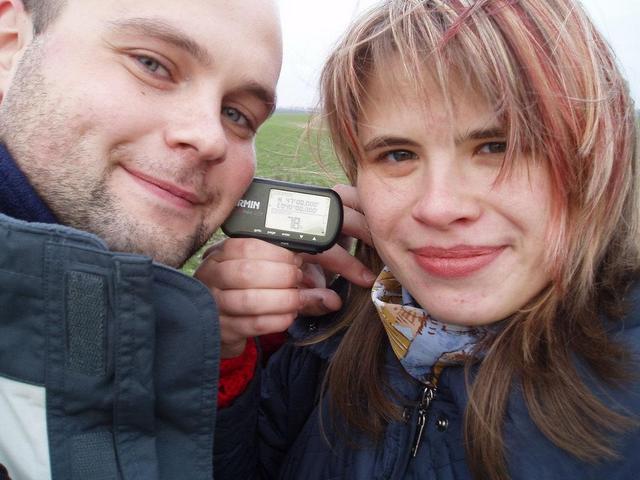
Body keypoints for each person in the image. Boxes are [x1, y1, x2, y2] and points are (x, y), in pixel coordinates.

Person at [210, 0, 640, 478]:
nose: (438, 206)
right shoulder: (334, 334)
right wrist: (230, 351)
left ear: (598, 155)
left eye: (497, 146)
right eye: (397, 155)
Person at [0, 1, 374, 479]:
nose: (210, 137)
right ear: (10, 44)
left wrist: (215, 353)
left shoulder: (136, 326)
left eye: (238, 115)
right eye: (152, 64)